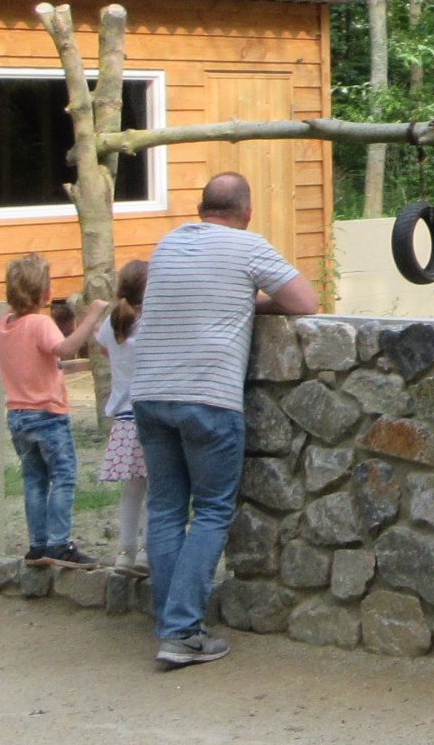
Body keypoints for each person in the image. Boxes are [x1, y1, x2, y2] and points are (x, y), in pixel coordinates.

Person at [129, 173, 319, 670]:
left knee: (167, 509)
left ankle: (170, 623)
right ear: (247, 212)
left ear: (200, 207)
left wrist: (238, 299)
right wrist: (253, 300)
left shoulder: (169, 243)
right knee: (211, 511)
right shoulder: (247, 246)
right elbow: (305, 303)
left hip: (149, 395)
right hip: (207, 398)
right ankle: (181, 632)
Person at [0, 252, 107, 570]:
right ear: (46, 294)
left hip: (17, 415)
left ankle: (37, 545)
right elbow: (65, 349)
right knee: (64, 476)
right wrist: (92, 317)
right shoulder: (41, 324)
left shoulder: (5, 324)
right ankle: (59, 544)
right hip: (49, 415)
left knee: (34, 479)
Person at [94, 258, 151, 570]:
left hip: (123, 420)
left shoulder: (114, 322)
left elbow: (104, 347)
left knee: (132, 489)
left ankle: (124, 552)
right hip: (149, 416)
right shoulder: (151, 322)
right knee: (157, 488)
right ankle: (146, 550)